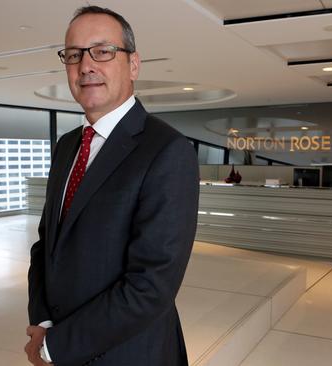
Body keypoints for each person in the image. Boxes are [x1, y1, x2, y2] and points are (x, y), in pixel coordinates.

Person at [25, 6, 199, 366]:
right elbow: (47, 245)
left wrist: (54, 346)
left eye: (103, 51)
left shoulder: (167, 150)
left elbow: (151, 287)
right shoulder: (67, 145)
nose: (86, 65)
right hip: (63, 339)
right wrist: (43, 321)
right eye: (74, 54)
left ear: (133, 64)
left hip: (130, 353)